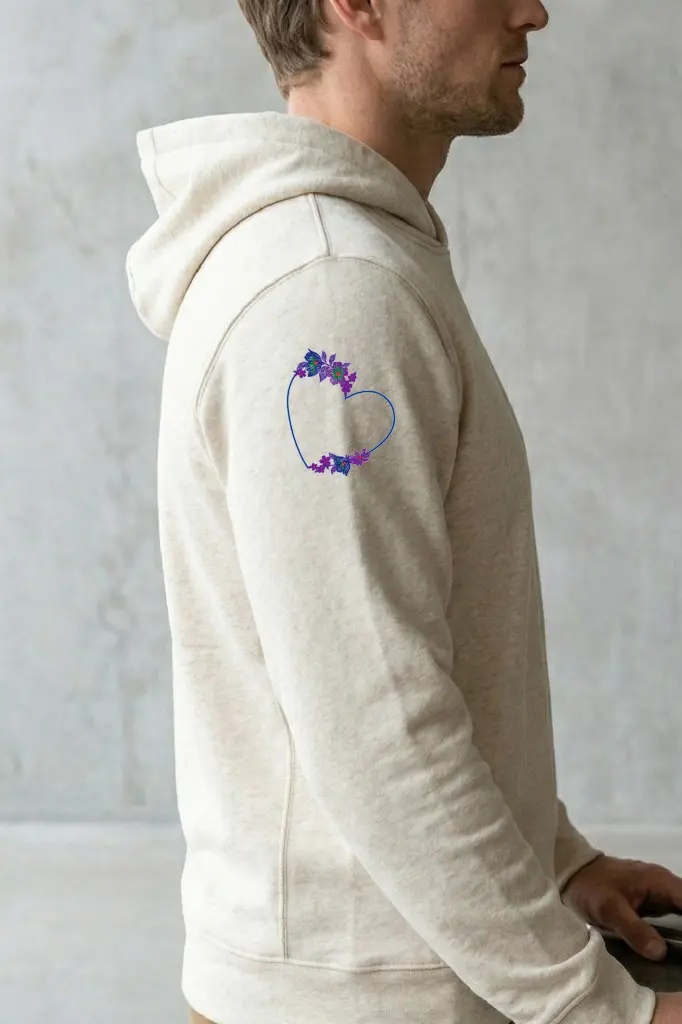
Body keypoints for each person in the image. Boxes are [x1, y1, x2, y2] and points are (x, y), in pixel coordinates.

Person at [125, 1, 682, 1023]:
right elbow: (377, 726)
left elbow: (394, 661)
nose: (533, 11)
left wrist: (555, 860)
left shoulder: (354, 259)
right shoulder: (330, 293)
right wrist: (601, 1008)